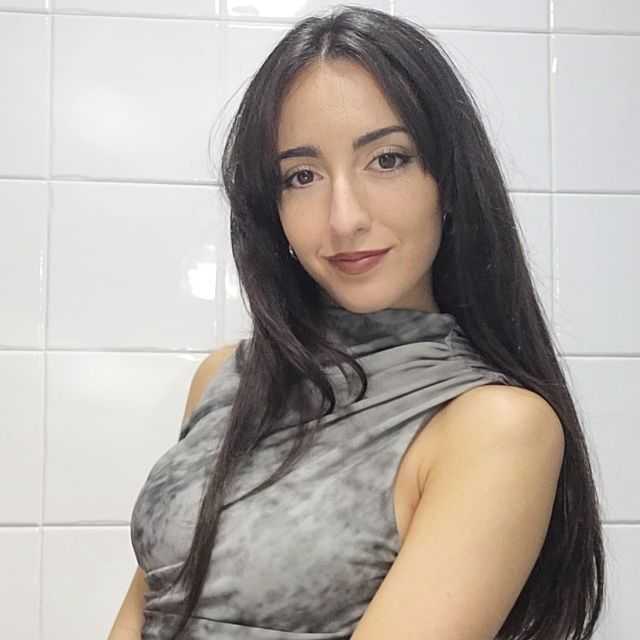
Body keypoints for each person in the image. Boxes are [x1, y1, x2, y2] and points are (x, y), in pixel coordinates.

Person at [110, 5, 605, 640]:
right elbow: (154, 600)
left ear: (448, 180)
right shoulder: (224, 378)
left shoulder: (496, 426)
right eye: (302, 176)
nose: (343, 218)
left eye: (387, 160)